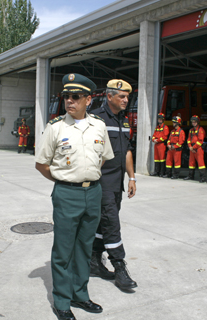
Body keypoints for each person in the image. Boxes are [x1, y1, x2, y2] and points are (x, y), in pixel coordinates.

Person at [35, 73, 114, 320]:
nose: (70, 101)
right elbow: (41, 164)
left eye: (76, 97)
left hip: (93, 192)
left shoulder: (99, 126)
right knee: (63, 250)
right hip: (66, 193)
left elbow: (102, 159)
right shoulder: (56, 127)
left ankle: (80, 295)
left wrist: (85, 179)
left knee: (84, 248)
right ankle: (62, 301)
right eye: (66, 96)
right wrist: (65, 180)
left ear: (88, 100)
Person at [89, 79, 137, 291]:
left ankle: (94, 261)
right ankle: (119, 266)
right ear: (109, 97)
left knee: (103, 223)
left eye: (127, 96)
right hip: (101, 182)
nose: (126, 100)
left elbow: (127, 150)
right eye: (122, 96)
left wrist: (132, 177)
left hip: (117, 183)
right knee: (112, 223)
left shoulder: (124, 121)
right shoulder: (96, 119)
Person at [184, 115, 206, 182]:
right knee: (191, 163)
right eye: (193, 122)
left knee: (201, 163)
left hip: (198, 149)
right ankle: (191, 176)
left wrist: (193, 147)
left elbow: (200, 141)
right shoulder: (191, 130)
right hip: (192, 149)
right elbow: (188, 139)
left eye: (195, 122)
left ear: (197, 122)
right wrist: (190, 146)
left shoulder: (201, 130)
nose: (193, 123)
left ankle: (202, 178)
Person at [150, 113, 169, 177]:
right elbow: (153, 135)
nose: (159, 120)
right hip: (156, 145)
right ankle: (156, 172)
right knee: (156, 158)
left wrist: (157, 140)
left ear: (163, 120)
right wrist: (153, 139)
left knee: (162, 159)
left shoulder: (165, 127)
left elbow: (165, 137)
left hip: (161, 145)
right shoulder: (157, 127)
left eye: (160, 119)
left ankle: (162, 172)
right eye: (159, 119)